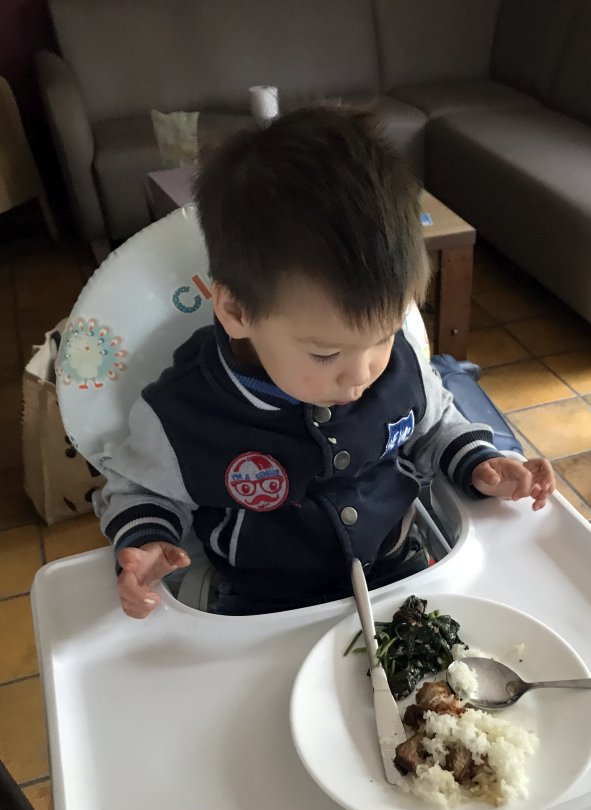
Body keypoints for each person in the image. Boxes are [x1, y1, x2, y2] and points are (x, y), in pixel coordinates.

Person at [97, 105, 555, 619]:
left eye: (383, 335)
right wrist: (147, 541)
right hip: (264, 605)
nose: (362, 376)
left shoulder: (394, 363)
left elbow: (434, 423)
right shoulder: (182, 413)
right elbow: (138, 487)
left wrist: (479, 463)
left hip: (401, 571)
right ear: (236, 310)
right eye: (325, 353)